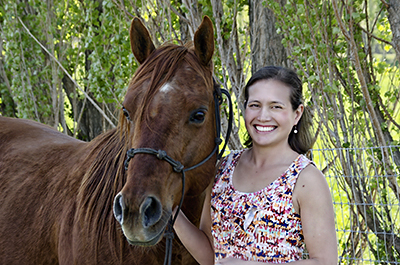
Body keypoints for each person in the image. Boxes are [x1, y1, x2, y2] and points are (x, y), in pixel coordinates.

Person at [173, 66, 338, 264]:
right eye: (255, 105)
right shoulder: (222, 170)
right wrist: (173, 212)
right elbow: (211, 257)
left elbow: (325, 262)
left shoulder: (305, 179)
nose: (263, 116)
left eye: (276, 106)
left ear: (297, 114)